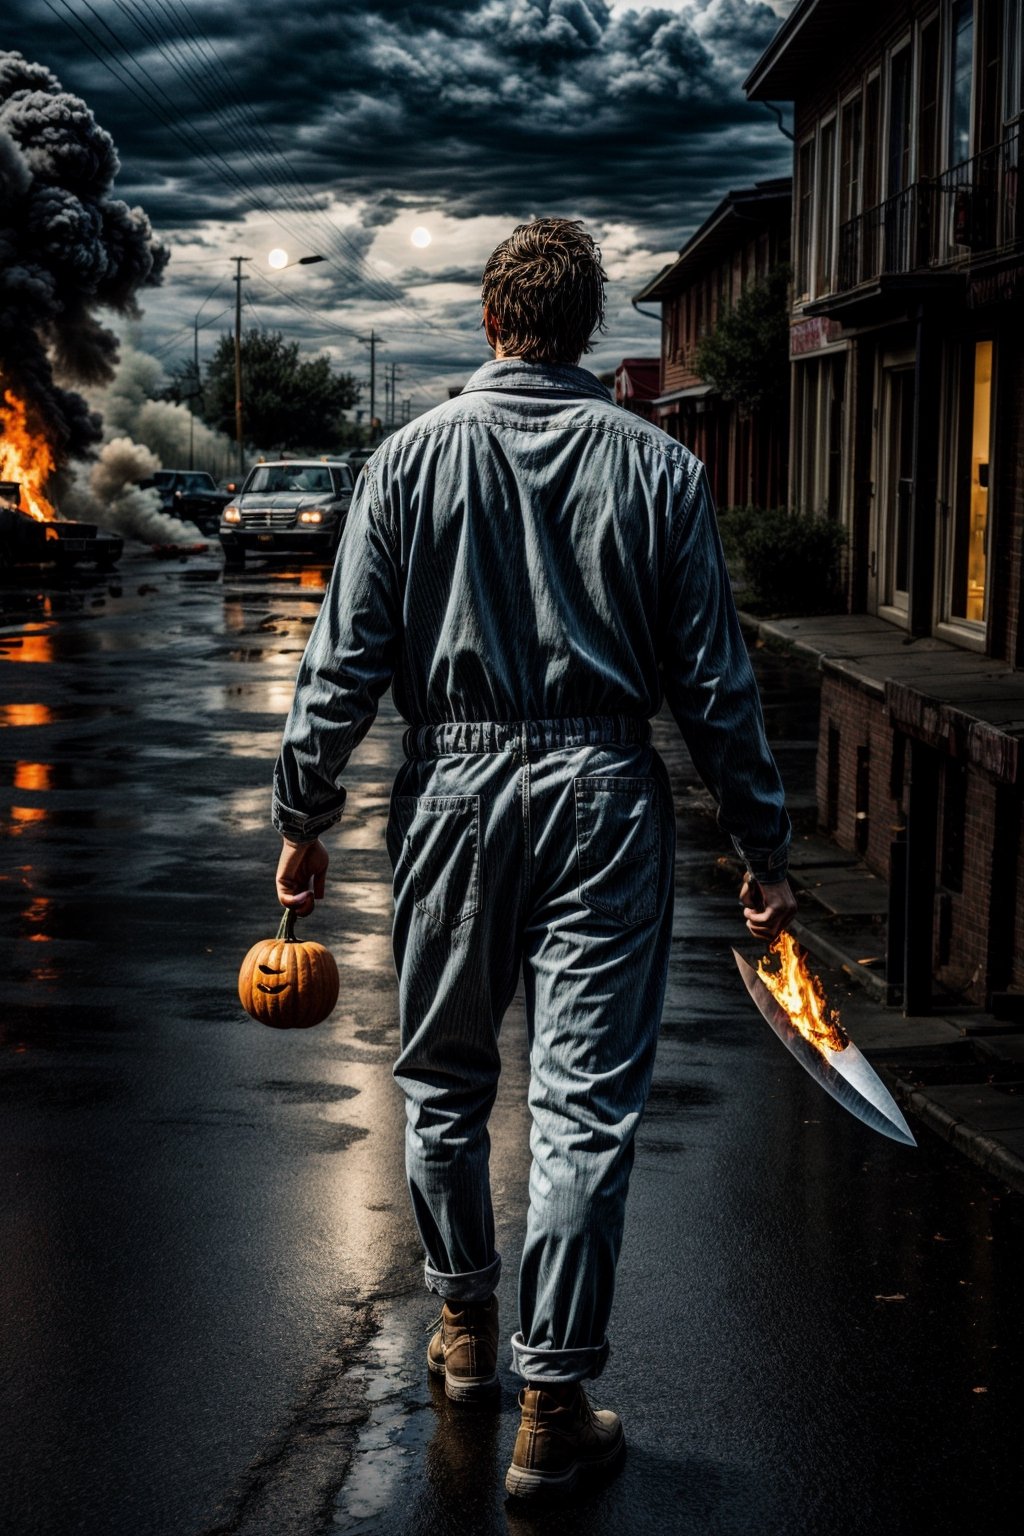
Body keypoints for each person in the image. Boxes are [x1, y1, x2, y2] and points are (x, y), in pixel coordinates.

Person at [271, 217, 796, 1498]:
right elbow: (712, 681)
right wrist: (761, 841)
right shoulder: (659, 469)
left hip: (452, 785)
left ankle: (461, 1330)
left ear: (489, 319)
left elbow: (340, 662)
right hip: (605, 792)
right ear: (589, 327)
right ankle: (551, 1403)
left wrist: (302, 816)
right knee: (581, 1105)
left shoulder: (405, 461)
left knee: (445, 1078)